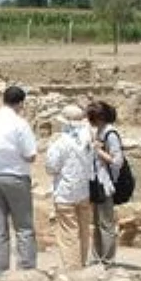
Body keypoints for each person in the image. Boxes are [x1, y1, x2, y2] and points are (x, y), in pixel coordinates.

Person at [0, 85, 39, 276]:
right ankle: (26, 272)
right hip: (16, 177)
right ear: (21, 103)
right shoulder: (20, 124)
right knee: (24, 227)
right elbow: (31, 155)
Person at [44, 104, 94, 270]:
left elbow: (51, 167)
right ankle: (83, 262)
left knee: (68, 233)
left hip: (65, 193)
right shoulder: (88, 139)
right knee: (83, 231)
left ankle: (73, 268)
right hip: (83, 191)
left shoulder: (60, 143)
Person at [87, 100, 124, 266]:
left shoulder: (111, 134)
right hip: (97, 181)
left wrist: (98, 150)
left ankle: (108, 260)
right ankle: (97, 258)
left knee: (106, 224)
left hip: (106, 183)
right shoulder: (100, 131)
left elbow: (117, 161)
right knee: (96, 223)